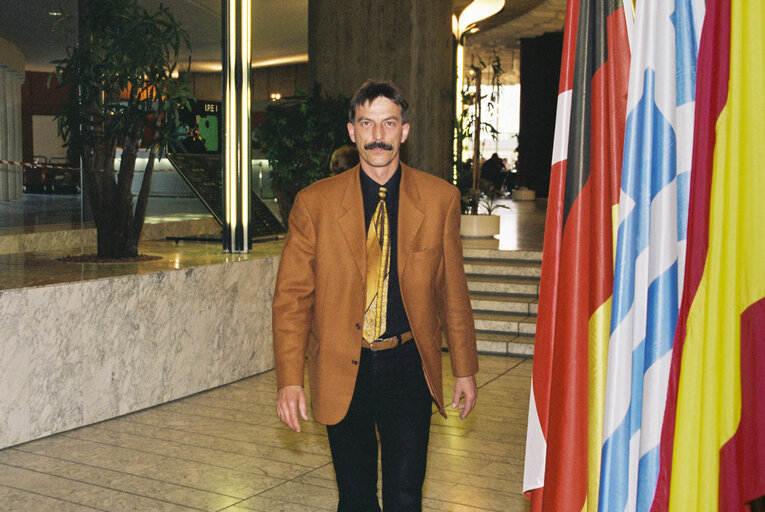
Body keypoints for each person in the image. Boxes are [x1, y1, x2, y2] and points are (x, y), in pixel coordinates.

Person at [272, 80, 478, 512]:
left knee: (406, 495)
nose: (377, 134)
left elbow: (451, 290)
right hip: (342, 364)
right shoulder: (315, 203)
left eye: (388, 122)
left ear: (404, 131)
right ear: (352, 131)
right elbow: (292, 299)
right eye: (367, 123)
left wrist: (464, 368)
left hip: (409, 367)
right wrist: (291, 380)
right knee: (356, 496)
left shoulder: (441, 199)